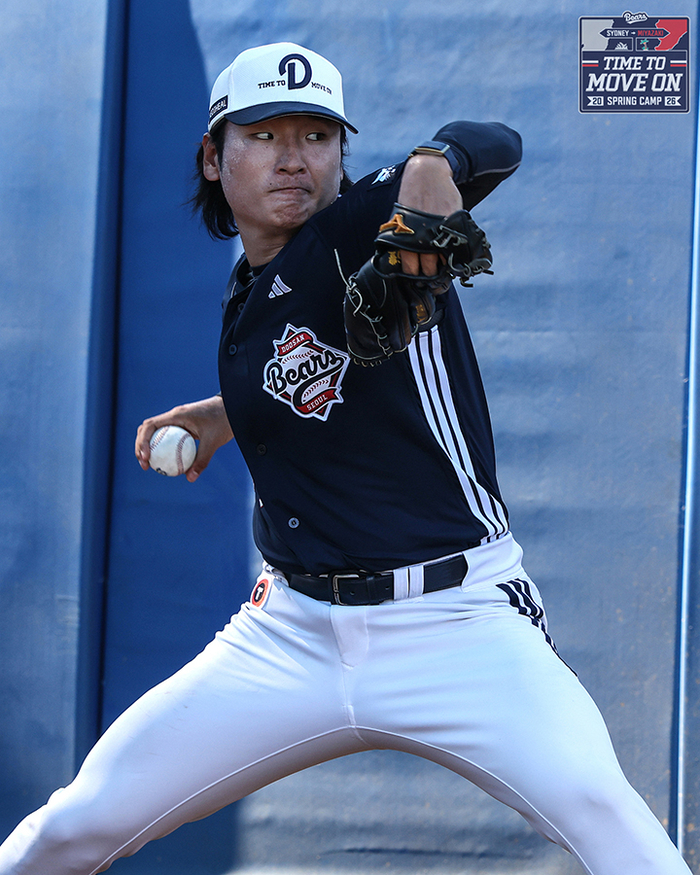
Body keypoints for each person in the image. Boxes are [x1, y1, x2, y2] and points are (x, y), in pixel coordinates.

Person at [0, 41, 691, 875]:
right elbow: (312, 373)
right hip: (289, 635)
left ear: (341, 153)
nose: (294, 158)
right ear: (214, 157)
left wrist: (437, 161)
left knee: (608, 817)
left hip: (456, 622)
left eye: (318, 136)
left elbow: (496, 143)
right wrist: (226, 414)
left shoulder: (361, 224)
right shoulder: (251, 287)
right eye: (265, 135)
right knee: (73, 825)